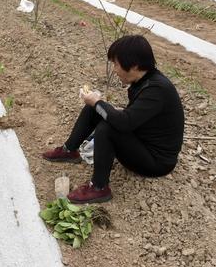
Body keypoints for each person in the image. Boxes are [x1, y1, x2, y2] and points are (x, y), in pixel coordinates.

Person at [42, 35, 184, 203]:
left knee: (108, 127)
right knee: (94, 109)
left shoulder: (157, 90)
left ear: (134, 65)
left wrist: (99, 103)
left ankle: (99, 187)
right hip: (142, 143)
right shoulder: (144, 82)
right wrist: (98, 105)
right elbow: (134, 117)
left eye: (116, 64)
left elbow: (124, 124)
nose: (115, 69)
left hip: (156, 162)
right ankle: (69, 150)